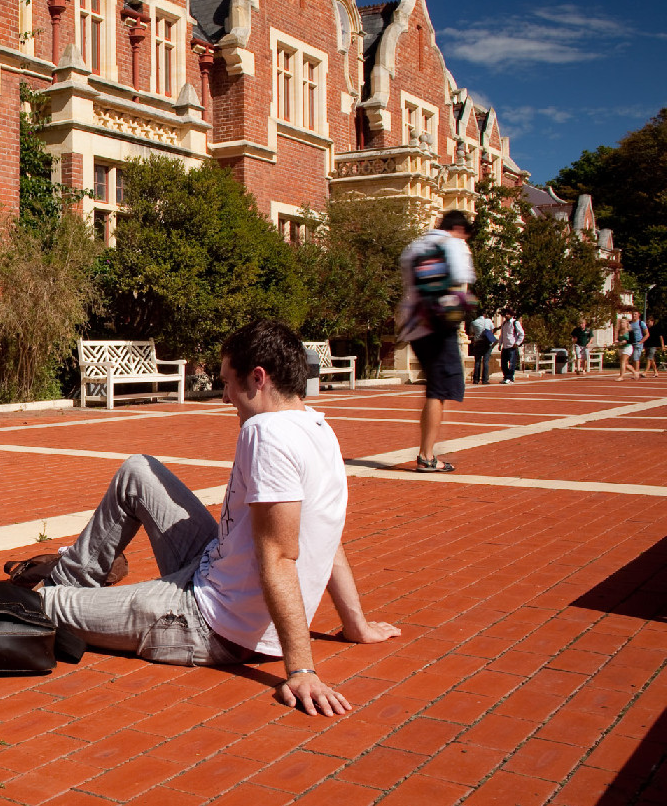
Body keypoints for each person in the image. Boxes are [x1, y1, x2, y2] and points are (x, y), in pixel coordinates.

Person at [28, 320, 399, 716]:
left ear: (258, 378)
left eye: (227, 383)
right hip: (212, 569)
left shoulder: (265, 433)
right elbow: (327, 537)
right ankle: (72, 574)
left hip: (208, 621)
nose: (225, 398)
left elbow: (279, 557)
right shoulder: (318, 428)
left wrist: (302, 669)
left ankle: (55, 592)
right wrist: (355, 624)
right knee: (138, 470)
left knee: (46, 603)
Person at [397, 209, 475, 473]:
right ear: (461, 229)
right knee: (438, 392)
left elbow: (409, 286)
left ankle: (426, 452)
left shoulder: (415, 246)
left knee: (434, 387)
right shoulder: (455, 245)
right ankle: (427, 456)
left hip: (415, 326)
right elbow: (461, 288)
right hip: (440, 326)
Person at [467, 308, 496, 385]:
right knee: (486, 361)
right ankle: (485, 379)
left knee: (477, 361)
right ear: (484, 314)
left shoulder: (474, 322)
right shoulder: (489, 321)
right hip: (487, 343)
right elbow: (492, 331)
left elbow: (471, 333)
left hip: (478, 343)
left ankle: (476, 379)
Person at [498, 310, 525, 384]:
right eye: (505, 314)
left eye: (508, 314)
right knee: (504, 363)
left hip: (512, 346)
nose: (506, 315)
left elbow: (521, 333)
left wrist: (517, 343)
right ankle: (506, 377)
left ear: (511, 315)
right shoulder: (504, 324)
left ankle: (510, 378)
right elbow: (502, 335)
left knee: (512, 363)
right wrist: (500, 344)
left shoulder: (515, 323)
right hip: (505, 346)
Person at [617, 317, 639, 381]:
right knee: (626, 364)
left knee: (622, 362)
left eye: (623, 322)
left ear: (626, 323)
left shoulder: (630, 331)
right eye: (621, 323)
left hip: (627, 347)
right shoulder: (619, 331)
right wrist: (617, 342)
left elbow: (632, 340)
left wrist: (626, 341)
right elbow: (618, 339)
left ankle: (621, 376)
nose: (622, 324)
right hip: (621, 348)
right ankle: (635, 372)